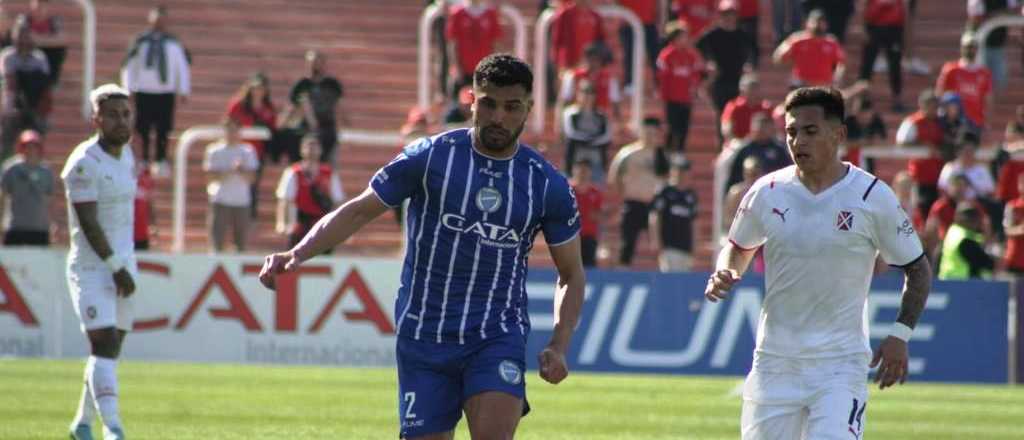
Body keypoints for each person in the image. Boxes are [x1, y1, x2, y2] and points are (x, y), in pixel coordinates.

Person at [258, 53, 585, 439]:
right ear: (472, 100)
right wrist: (297, 253)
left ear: (529, 108)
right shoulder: (430, 157)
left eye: (512, 107)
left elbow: (571, 272)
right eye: (490, 103)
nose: (499, 117)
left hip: (496, 334)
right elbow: (359, 211)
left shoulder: (545, 184)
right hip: (424, 336)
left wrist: (560, 344)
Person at [706, 87, 932, 440]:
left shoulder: (872, 197)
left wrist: (900, 334)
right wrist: (727, 270)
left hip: (839, 367)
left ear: (838, 134)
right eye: (791, 132)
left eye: (809, 131)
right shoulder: (767, 191)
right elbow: (738, 246)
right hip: (774, 363)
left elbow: (918, 269)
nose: (798, 141)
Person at [62, 84, 137, 440]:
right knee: (103, 342)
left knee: (110, 348)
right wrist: (113, 265)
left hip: (123, 263)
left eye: (125, 114)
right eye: (112, 115)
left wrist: (124, 264)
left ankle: (82, 423)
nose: (121, 121)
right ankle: (114, 429)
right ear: (96, 119)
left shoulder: (128, 155)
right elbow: (88, 222)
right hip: (93, 268)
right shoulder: (83, 164)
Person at [120, 5, 190, 178]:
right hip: (144, 90)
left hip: (165, 92)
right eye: (156, 20)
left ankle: (160, 160)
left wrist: (183, 89)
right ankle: (143, 159)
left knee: (164, 127)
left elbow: (182, 67)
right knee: (142, 126)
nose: (159, 23)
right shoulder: (140, 42)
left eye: (162, 20)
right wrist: (127, 88)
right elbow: (129, 66)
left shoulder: (173, 44)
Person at [609, 117, 669, 266]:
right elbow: (614, 176)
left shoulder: (661, 155)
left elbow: (667, 178)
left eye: (653, 133)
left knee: (660, 243)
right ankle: (623, 273)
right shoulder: (628, 153)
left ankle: (662, 275)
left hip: (654, 205)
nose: (650, 136)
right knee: (627, 243)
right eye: (647, 132)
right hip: (633, 202)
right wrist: (624, 192)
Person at [696, 1, 756, 143]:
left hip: (739, 80)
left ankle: (740, 142)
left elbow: (754, 52)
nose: (729, 17)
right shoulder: (711, 34)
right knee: (722, 114)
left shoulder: (743, 34)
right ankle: (723, 144)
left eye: (731, 14)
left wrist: (750, 65)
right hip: (719, 81)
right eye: (725, 14)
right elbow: (697, 49)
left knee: (739, 112)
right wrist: (707, 64)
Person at [275, 135, 345, 249]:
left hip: (322, 223)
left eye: (315, 147)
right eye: (308, 147)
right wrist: (281, 223)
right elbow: (284, 200)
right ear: (302, 150)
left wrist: (337, 225)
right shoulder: (293, 172)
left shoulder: (329, 173)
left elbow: (337, 200)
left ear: (320, 150)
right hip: (300, 223)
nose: (312, 150)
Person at [203, 119, 259, 253]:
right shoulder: (214, 150)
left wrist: (241, 170)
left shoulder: (248, 151)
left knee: (241, 243)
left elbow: (252, 178)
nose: (231, 133)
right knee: (217, 242)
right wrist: (228, 171)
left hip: (241, 201)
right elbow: (209, 177)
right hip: (220, 200)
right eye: (229, 130)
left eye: (234, 130)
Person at [226, 73, 277, 218]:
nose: (258, 91)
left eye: (261, 88)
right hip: (237, 150)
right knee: (233, 182)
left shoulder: (268, 108)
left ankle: (248, 217)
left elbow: (272, 129)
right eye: (255, 87)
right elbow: (230, 123)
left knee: (252, 186)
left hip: (257, 153)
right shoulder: (238, 105)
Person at [0, 20, 50, 163]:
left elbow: (44, 85)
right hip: (12, 110)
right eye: (19, 35)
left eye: (26, 35)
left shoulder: (39, 58)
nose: (23, 40)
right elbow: (10, 83)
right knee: (7, 147)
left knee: (36, 142)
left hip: (34, 109)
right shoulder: (7, 56)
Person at [289, 50, 348, 164]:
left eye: (317, 62)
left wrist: (343, 126)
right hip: (306, 130)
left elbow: (338, 107)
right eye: (312, 62)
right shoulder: (302, 84)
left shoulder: (331, 84)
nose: (315, 65)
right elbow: (293, 108)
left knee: (328, 163)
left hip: (327, 129)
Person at [657, 20, 706, 152]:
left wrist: (695, 89)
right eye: (682, 37)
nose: (685, 40)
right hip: (671, 98)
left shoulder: (691, 55)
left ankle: (680, 153)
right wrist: (664, 96)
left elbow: (697, 73)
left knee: (683, 128)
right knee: (671, 128)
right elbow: (663, 77)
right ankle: (667, 153)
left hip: (686, 98)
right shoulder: (666, 55)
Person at [896, 89, 945, 220]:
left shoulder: (941, 122)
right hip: (919, 175)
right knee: (919, 209)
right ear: (922, 105)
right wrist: (923, 145)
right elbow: (902, 142)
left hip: (938, 175)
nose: (933, 110)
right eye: (930, 106)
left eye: (935, 106)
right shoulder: (913, 122)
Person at [0, 129, 53, 245]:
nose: (30, 150)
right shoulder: (11, 169)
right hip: (15, 227)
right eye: (27, 146)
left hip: (39, 228)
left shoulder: (46, 172)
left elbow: (48, 200)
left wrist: (50, 224)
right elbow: (3, 196)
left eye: (34, 147)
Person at [772, 9, 846, 88]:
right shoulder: (797, 39)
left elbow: (841, 63)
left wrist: (837, 77)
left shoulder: (831, 42)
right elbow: (778, 56)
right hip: (801, 84)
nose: (817, 25)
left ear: (826, 24)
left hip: (823, 85)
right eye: (814, 22)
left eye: (821, 22)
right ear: (807, 23)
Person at [446, 0, 502, 102]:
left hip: (484, 71)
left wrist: (494, 68)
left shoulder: (490, 13)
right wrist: (455, 66)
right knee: (457, 105)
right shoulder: (457, 13)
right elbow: (453, 43)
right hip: (463, 71)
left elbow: (495, 44)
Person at [935, 34, 992, 131]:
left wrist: (987, 120)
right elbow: (940, 93)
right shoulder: (951, 69)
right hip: (953, 121)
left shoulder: (984, 73)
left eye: (973, 47)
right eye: (967, 47)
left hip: (975, 120)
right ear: (962, 48)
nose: (970, 50)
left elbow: (988, 98)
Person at [858, 0, 908, 112]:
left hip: (894, 28)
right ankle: (863, 98)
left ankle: (897, 98)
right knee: (867, 65)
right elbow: (865, 5)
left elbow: (904, 9)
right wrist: (864, 28)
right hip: (874, 27)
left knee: (895, 65)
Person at [650, 160, 698, 272]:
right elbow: (655, 216)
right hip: (669, 246)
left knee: (684, 280)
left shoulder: (690, 195)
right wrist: (656, 240)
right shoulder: (665, 192)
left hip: (686, 247)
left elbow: (694, 221)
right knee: (669, 277)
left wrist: (695, 245)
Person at [723, 112, 791, 191]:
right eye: (758, 128)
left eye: (764, 128)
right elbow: (733, 178)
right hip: (747, 191)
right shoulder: (744, 150)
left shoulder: (779, 150)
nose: (761, 131)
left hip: (773, 190)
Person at [562, 80, 612, 183]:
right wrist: (592, 139)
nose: (587, 96)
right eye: (584, 92)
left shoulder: (601, 116)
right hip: (575, 162)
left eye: (591, 93)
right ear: (578, 94)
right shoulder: (570, 114)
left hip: (596, 163)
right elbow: (571, 134)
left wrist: (588, 140)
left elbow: (606, 137)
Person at [967, 0, 1017, 93]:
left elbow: (1013, 10)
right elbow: (976, 17)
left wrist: (1000, 15)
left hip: (998, 46)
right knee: (978, 81)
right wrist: (998, 15)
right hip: (978, 46)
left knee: (999, 82)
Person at [937, 202, 994, 279]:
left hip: (947, 281)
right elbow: (987, 263)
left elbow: (977, 240)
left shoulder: (953, 231)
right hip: (961, 285)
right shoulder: (965, 240)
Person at [550, 0, 606, 74]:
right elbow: (557, 40)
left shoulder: (596, 17)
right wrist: (558, 63)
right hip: (569, 64)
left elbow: (600, 42)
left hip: (590, 65)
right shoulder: (565, 14)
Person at [616, 0, 660, 93]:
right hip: (629, 23)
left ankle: (658, 85)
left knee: (655, 55)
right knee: (629, 54)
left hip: (649, 23)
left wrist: (659, 21)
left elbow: (658, 4)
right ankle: (629, 83)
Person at [720, 73, 772, 142]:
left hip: (761, 145)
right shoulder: (734, 106)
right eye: (751, 89)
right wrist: (735, 142)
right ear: (743, 90)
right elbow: (726, 129)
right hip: (738, 144)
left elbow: (773, 130)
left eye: (756, 88)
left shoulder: (766, 108)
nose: (754, 92)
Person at [571, 159, 604, 267]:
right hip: (570, 236)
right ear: (574, 171)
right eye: (581, 170)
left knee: (588, 267)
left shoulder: (595, 192)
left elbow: (599, 215)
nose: (583, 174)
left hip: (589, 236)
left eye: (585, 171)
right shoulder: (567, 190)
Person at [26, 0, 67, 87]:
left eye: (41, 7)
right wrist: (49, 39)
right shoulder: (24, 21)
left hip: (49, 60)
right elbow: (22, 39)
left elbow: (61, 40)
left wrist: (37, 40)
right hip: (27, 63)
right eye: (37, 7)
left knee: (57, 50)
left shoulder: (54, 22)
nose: (39, 10)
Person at [722, 155, 763, 232]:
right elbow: (727, 219)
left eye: (754, 174)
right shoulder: (736, 193)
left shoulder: (765, 191)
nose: (752, 178)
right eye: (748, 174)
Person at [1003, 173, 1024, 276]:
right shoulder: (1012, 206)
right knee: (1015, 291)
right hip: (1016, 260)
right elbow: (1007, 230)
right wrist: (1020, 229)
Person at [133, 160, 155, 250]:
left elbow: (149, 205)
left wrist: (153, 225)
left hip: (142, 235)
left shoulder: (145, 180)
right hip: (124, 234)